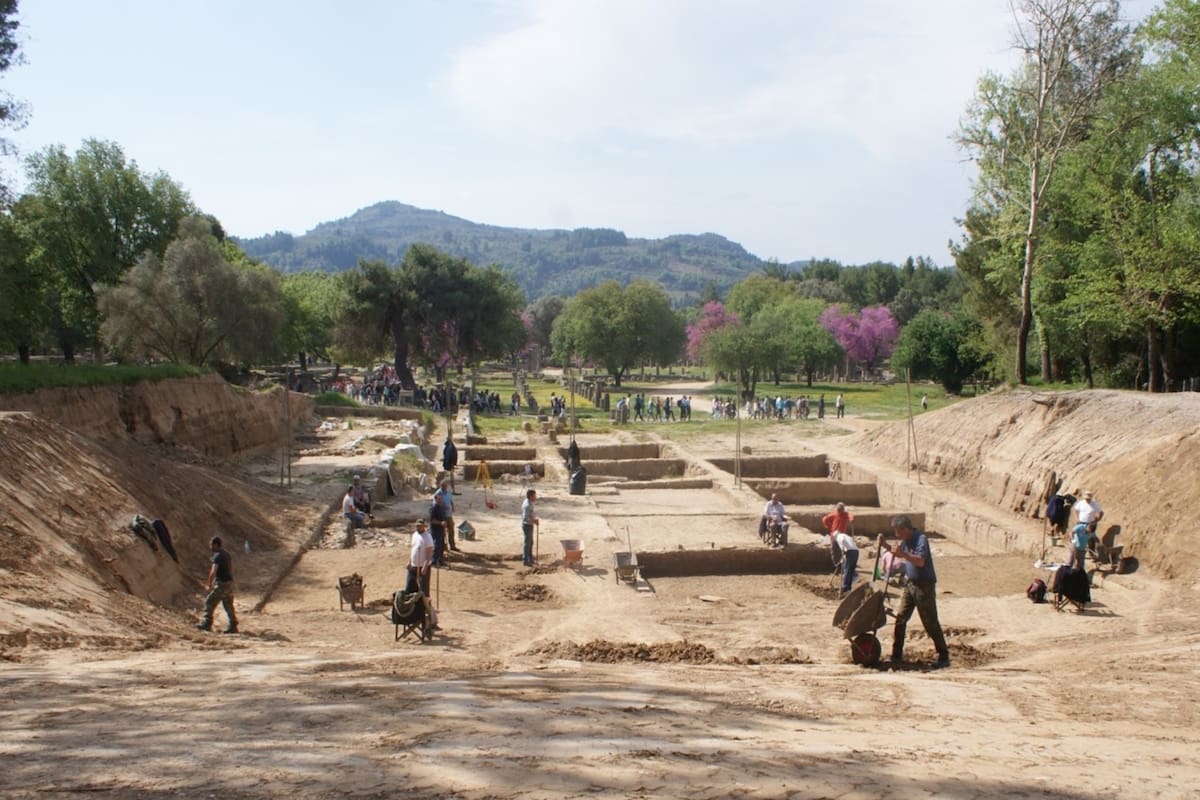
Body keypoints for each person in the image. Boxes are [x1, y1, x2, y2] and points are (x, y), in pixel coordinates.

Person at [878, 515, 950, 668]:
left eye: (898, 531)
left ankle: (944, 656)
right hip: (910, 584)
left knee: (930, 622)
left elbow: (920, 561)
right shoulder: (907, 540)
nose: (897, 535)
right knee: (901, 619)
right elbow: (899, 553)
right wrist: (885, 545)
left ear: (906, 529)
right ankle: (896, 655)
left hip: (924, 587)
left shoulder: (920, 539)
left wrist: (903, 553)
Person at [197, 536, 238, 633]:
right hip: (229, 583)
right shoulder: (226, 554)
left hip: (222, 584)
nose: (210, 547)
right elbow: (230, 568)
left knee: (209, 602)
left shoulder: (218, 556)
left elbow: (213, 571)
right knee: (228, 605)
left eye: (211, 545)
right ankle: (233, 625)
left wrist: (209, 584)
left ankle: (207, 623)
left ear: (215, 545)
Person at [404, 519, 439, 628]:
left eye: (420, 526)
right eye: (417, 526)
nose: (418, 527)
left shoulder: (427, 537)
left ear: (424, 526)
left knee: (424, 592)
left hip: (423, 567)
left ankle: (431, 619)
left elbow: (429, 552)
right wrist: (409, 561)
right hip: (413, 566)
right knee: (409, 588)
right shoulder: (415, 535)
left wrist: (425, 566)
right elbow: (413, 550)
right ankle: (411, 615)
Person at [822, 502, 854, 569]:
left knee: (841, 550)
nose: (839, 511)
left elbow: (850, 515)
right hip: (834, 535)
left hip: (841, 536)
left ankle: (842, 565)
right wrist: (828, 526)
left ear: (843, 509)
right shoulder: (834, 514)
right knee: (834, 550)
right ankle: (836, 565)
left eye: (841, 509)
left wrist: (851, 520)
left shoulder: (845, 514)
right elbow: (825, 519)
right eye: (838, 509)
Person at [830, 529, 859, 595]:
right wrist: (843, 557)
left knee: (847, 570)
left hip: (850, 552)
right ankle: (848, 588)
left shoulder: (839, 537)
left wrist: (843, 551)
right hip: (856, 551)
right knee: (851, 570)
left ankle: (845, 588)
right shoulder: (846, 535)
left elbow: (843, 542)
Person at [435, 477, 458, 552]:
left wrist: (453, 507)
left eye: (445, 486)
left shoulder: (448, 492)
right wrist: (443, 507)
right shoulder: (438, 493)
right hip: (442, 515)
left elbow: (450, 500)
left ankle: (452, 546)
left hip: (449, 514)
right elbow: (436, 504)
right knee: (443, 532)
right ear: (441, 486)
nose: (445, 487)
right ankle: (444, 547)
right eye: (443, 486)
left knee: (451, 530)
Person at [429, 491, 451, 567]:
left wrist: (445, 524)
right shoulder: (433, 508)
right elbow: (432, 520)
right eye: (439, 499)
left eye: (441, 499)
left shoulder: (441, 507)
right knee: (437, 545)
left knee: (442, 545)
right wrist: (441, 523)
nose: (440, 500)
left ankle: (440, 559)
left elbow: (443, 518)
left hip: (441, 529)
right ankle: (434, 561)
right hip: (435, 530)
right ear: (435, 499)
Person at [521, 488, 539, 567]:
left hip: (529, 525)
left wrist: (534, 520)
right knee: (527, 543)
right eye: (534, 496)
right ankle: (525, 560)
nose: (535, 497)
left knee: (530, 542)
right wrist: (534, 521)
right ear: (531, 497)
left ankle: (530, 558)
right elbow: (526, 518)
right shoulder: (527, 505)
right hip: (527, 525)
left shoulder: (529, 502)